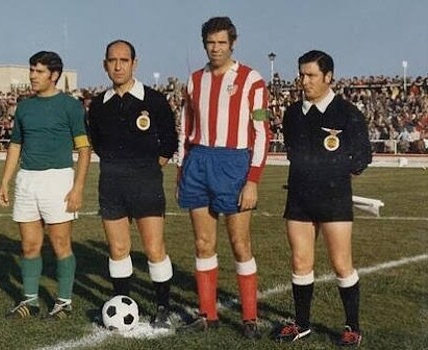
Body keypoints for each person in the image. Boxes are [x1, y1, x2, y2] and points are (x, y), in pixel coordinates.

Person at [176, 17, 270, 338]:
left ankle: (250, 318)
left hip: (234, 163)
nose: (215, 48)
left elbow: (261, 132)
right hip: (198, 161)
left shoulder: (252, 79)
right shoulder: (193, 80)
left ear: (233, 42)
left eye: (221, 42)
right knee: (203, 243)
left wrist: (253, 179)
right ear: (204, 44)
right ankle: (208, 314)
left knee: (240, 243)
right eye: (210, 43)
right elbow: (185, 130)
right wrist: (181, 169)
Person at [275, 50, 371, 347]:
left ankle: (352, 327)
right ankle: (302, 324)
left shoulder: (348, 113)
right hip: (300, 198)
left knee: (342, 263)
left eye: (312, 75)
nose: (305, 81)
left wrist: (335, 175)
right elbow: (293, 151)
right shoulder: (292, 114)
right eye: (302, 75)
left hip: (334, 199)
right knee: (300, 261)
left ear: (329, 77)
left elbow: (362, 156)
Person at [87, 40, 178, 328]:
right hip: (112, 184)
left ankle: (163, 306)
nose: (117, 66)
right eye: (112, 60)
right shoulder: (98, 105)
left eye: (123, 60)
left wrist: (147, 169)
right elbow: (98, 144)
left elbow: (169, 143)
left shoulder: (154, 100)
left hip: (146, 184)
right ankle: (123, 303)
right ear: (105, 65)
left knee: (153, 249)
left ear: (134, 63)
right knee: (118, 249)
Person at [0, 51, 91, 320]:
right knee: (29, 245)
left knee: (60, 242)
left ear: (54, 75)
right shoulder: (25, 107)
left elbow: (84, 150)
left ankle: (63, 302)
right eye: (31, 70)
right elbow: (16, 146)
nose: (32, 76)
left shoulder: (71, 106)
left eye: (38, 71)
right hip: (27, 180)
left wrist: (78, 187)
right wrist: (5, 181)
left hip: (58, 180)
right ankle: (30, 301)